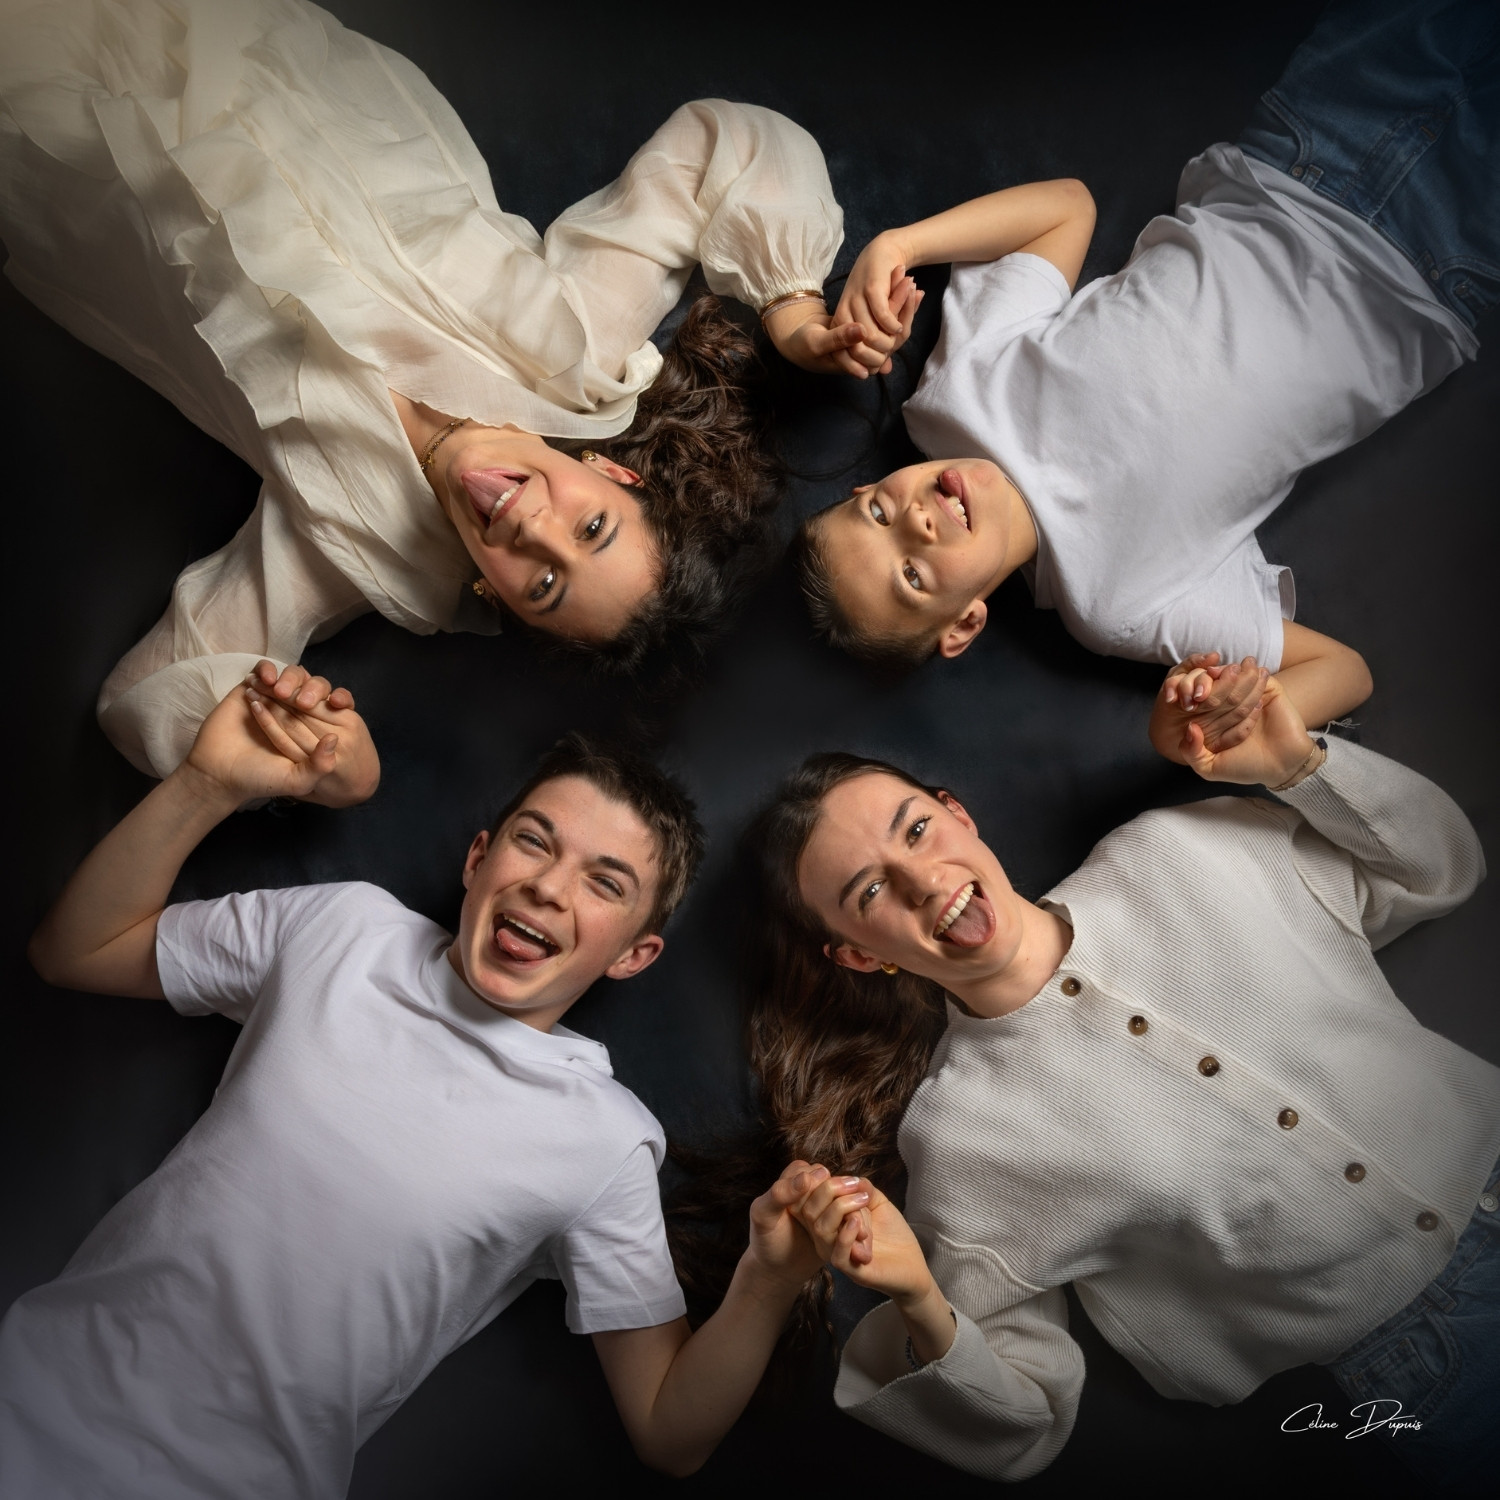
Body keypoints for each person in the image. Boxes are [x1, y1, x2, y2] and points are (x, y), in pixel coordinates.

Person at [0, 0, 918, 786]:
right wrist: (793, 307)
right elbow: (725, 143)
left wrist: (323, 768)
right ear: (620, 480)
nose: (535, 530)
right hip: (233, 42)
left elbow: (143, 702)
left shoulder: (350, 554)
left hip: (64, 156)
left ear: (498, 598)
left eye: (546, 584)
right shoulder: (587, 347)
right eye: (590, 528)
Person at [1, 672, 856, 1498]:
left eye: (605, 883)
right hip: (28, 1396)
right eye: (534, 840)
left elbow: (671, 1433)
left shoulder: (601, 1137)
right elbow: (75, 949)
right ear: (479, 859)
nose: (548, 888)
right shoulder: (344, 927)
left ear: (633, 954)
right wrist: (207, 782)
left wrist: (767, 1281)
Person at [742, 657, 1499, 1487]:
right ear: (859, 954)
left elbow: (1439, 867)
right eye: (870, 891)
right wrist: (923, 1301)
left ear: (956, 813)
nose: (924, 881)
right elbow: (1023, 1424)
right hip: (1428, 1359)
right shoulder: (962, 1141)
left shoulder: (1177, 849)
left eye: (916, 829)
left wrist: (1297, 766)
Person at [793, 0, 1497, 754]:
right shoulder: (1119, 607)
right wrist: (1214, 732)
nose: (917, 524)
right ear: (964, 622)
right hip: (1428, 278)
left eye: (877, 517)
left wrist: (900, 244)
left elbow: (1065, 209)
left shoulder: (950, 398)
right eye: (914, 576)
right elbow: (1344, 671)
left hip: (1302, 153)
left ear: (870, 489)